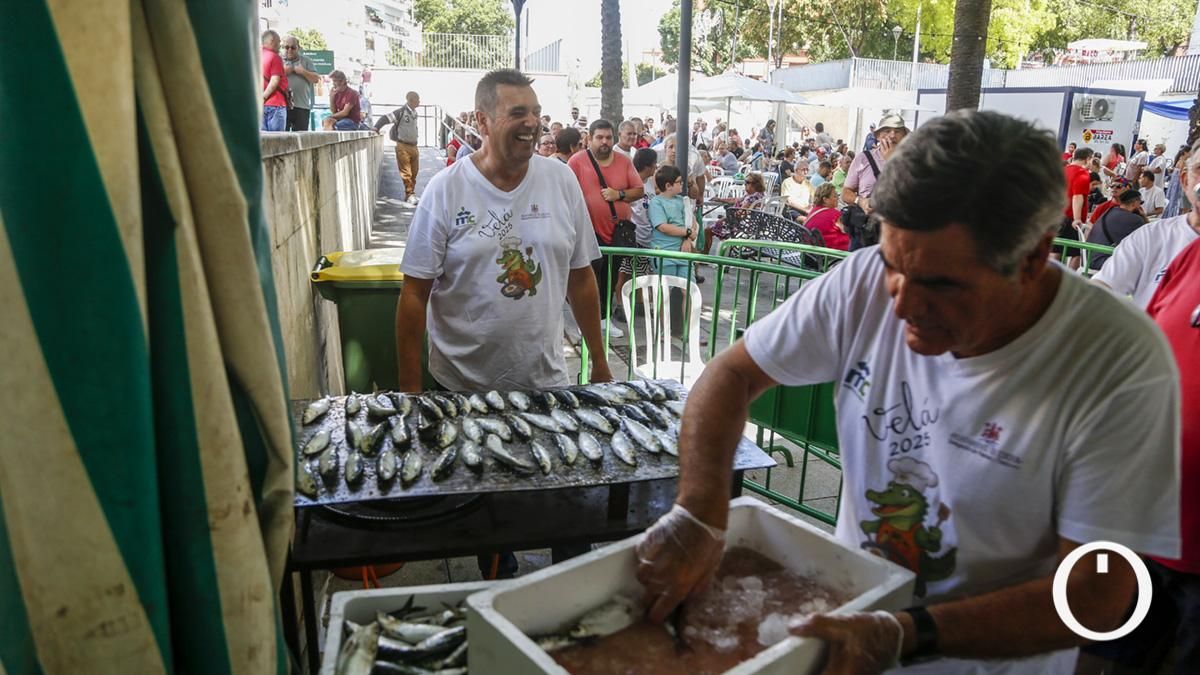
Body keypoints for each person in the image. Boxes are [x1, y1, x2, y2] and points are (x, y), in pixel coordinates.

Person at [635, 109, 1181, 674]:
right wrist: (700, 509)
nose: (902, 303)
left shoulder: (1120, 362)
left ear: (1034, 258)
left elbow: (1099, 594)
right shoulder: (862, 281)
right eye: (893, 264)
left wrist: (907, 635)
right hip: (846, 619)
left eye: (942, 284)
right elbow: (731, 374)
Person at [396, 69, 614, 577]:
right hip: (464, 391)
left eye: (536, 113)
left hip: (546, 382)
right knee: (491, 521)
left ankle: (568, 593)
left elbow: (581, 278)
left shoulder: (560, 180)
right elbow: (413, 296)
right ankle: (503, 590)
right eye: (518, 113)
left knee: (567, 512)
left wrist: (599, 360)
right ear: (482, 120)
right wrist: (410, 395)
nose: (532, 123)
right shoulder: (447, 190)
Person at [568, 119, 646, 338]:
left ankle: (604, 319)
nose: (604, 142)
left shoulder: (624, 161)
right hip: (587, 232)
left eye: (608, 137)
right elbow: (565, 191)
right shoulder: (577, 161)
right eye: (599, 137)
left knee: (610, 278)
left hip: (618, 233)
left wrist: (619, 194)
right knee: (587, 279)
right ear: (589, 138)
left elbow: (638, 190)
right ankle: (585, 322)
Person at [1093, 165, 1199, 308]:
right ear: (1185, 180)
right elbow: (1101, 289)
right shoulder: (1149, 235)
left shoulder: (1109, 211)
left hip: (1092, 258)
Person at [615, 148, 661, 297]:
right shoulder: (630, 182)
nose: (656, 166)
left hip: (646, 235)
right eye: (654, 163)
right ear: (647, 165)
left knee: (641, 273)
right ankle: (621, 304)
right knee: (626, 273)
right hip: (633, 235)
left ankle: (639, 303)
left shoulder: (650, 182)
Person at [844, 114, 907, 214]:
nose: (892, 135)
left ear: (904, 137)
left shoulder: (912, 162)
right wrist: (861, 201)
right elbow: (846, 192)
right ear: (878, 136)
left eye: (897, 131)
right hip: (867, 225)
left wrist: (890, 161)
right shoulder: (863, 158)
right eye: (887, 131)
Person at [374, 91, 422, 204]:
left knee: (415, 171)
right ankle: (409, 193)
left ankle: (411, 193)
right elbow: (385, 118)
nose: (419, 102)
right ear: (410, 100)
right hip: (403, 145)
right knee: (406, 172)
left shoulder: (415, 113)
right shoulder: (400, 112)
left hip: (414, 145)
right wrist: (376, 128)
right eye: (417, 100)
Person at [648, 164, 695, 278]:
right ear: (668, 185)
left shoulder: (682, 200)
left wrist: (688, 239)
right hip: (664, 253)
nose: (682, 184)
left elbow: (691, 221)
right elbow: (663, 227)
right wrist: (687, 232)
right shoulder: (656, 202)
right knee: (664, 290)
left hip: (684, 253)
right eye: (679, 182)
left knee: (689, 288)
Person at [703, 172, 768, 254]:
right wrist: (720, 199)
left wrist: (724, 218)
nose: (745, 184)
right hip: (751, 226)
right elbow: (736, 200)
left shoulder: (751, 198)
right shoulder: (759, 195)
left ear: (756, 184)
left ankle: (704, 256)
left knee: (707, 230)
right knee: (713, 226)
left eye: (747, 182)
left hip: (739, 227)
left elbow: (739, 214)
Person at [1086, 185, 1145, 269]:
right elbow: (1148, 237)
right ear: (1135, 203)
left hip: (1088, 256)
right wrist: (1143, 216)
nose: (1140, 206)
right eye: (1140, 203)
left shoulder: (1110, 210)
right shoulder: (1135, 220)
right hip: (1102, 260)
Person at [1056, 146, 1095, 264]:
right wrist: (1077, 218)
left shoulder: (1064, 170)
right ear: (1087, 159)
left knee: (1057, 250)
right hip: (1071, 218)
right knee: (1077, 254)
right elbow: (1077, 196)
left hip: (1059, 214)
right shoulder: (1082, 173)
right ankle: (1067, 281)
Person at [280, 36, 318, 131]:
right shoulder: (278, 60)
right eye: (287, 47)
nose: (289, 50)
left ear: (298, 48)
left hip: (302, 106)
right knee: (282, 137)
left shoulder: (306, 61)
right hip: (282, 106)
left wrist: (303, 72)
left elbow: (316, 79)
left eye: (293, 47)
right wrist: (282, 72)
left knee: (302, 138)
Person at [804, 182, 848, 250]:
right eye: (834, 196)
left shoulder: (813, 211)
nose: (837, 198)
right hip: (830, 253)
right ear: (825, 199)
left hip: (813, 251)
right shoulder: (834, 214)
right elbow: (847, 231)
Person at [260, 30, 289, 132]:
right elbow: (274, 80)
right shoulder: (274, 57)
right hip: (276, 104)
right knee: (278, 142)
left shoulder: (254, 56)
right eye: (278, 42)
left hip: (259, 105)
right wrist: (263, 97)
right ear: (272, 41)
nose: (279, 45)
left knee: (263, 141)